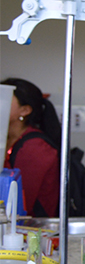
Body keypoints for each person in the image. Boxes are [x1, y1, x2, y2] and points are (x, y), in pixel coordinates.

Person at [3, 78, 61, 217]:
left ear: (25, 110)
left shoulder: (35, 148)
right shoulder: (8, 139)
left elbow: (22, 202)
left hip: (31, 231)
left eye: (5, 99)